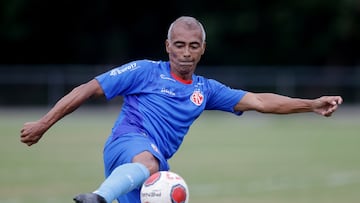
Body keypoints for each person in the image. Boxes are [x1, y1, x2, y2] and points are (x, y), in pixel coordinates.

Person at [20, 16, 343, 203]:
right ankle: (99, 198)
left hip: (147, 169)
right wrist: (44, 124)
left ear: (202, 49)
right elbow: (87, 88)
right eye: (179, 45)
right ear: (167, 46)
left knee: (152, 170)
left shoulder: (206, 90)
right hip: (127, 145)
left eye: (193, 46)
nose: (185, 53)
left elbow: (260, 101)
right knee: (148, 161)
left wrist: (310, 105)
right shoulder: (144, 71)